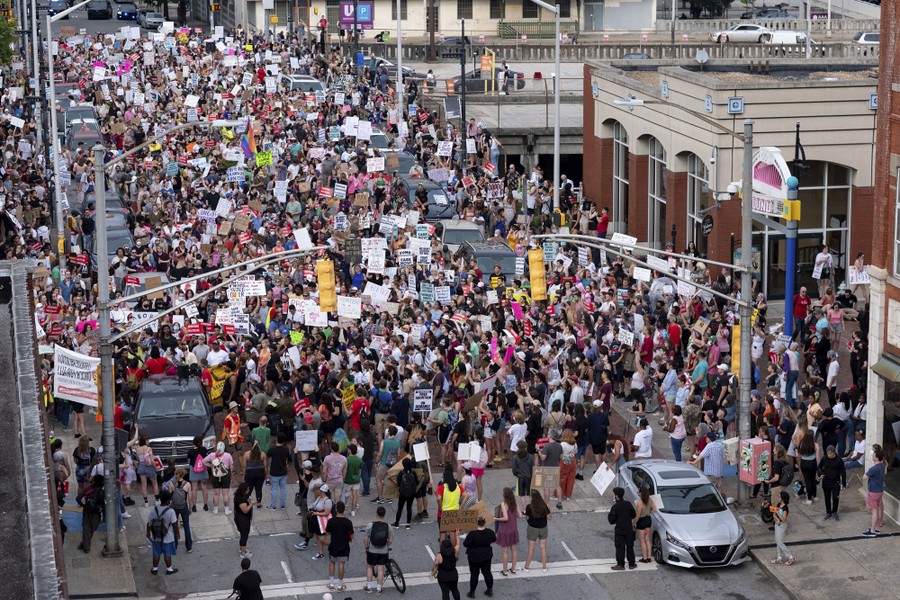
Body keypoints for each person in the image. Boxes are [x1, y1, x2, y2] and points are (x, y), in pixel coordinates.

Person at [146, 489, 180, 575]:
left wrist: (148, 532)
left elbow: (149, 523)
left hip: (156, 536)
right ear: (168, 500)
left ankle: (154, 569)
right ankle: (169, 569)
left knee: (156, 552)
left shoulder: (154, 509)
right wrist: (177, 534)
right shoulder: (171, 511)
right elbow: (175, 524)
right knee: (167, 553)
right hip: (167, 537)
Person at [464, 515, 496, 597]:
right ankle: (489, 590)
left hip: (474, 557)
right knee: (487, 573)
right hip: (487, 555)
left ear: (476, 523)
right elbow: (494, 539)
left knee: (474, 574)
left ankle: (472, 592)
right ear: (484, 523)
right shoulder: (489, 532)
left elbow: (465, 543)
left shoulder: (472, 534)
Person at [162, 468, 193, 553]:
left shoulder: (171, 483)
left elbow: (169, 497)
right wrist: (190, 508)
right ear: (184, 474)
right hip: (183, 507)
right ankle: (189, 547)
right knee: (186, 526)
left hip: (174, 507)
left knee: (174, 526)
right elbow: (190, 499)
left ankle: (174, 545)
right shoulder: (187, 484)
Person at [325, 501, 354, 592]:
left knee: (332, 562)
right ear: (344, 510)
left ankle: (331, 583)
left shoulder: (331, 521)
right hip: (344, 546)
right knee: (341, 564)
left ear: (336, 509)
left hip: (333, 545)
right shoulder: (348, 522)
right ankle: (340, 586)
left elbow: (327, 532)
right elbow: (351, 535)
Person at [364, 505, 393, 595]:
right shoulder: (388, 526)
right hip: (383, 551)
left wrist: (366, 547)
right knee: (380, 569)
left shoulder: (370, 525)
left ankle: (369, 587)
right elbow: (390, 540)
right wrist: (386, 545)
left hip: (372, 550)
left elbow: (365, 538)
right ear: (384, 515)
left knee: (370, 567)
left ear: (376, 514)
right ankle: (379, 589)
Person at [608, 486, 637, 570]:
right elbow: (633, 515)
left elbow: (611, 521)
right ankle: (632, 563)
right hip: (628, 529)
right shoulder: (628, 504)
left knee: (620, 548)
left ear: (616, 496)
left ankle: (620, 564)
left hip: (620, 530)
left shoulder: (615, 507)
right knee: (630, 547)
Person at [522, 490, 551, 572]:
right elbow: (549, 517)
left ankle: (526, 567)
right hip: (543, 528)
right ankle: (544, 567)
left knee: (531, 549)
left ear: (532, 498)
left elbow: (527, 518)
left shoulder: (529, 507)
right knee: (543, 548)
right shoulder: (544, 506)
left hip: (532, 529)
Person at [817, 445, 847, 521]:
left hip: (835, 482)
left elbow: (843, 472)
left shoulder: (839, 460)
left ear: (834, 452)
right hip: (826, 481)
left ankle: (834, 511)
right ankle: (828, 512)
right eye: (828, 453)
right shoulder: (824, 458)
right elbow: (819, 467)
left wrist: (843, 483)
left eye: (830, 453)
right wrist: (820, 474)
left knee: (835, 497)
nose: (829, 455)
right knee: (827, 498)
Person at [76, 474, 104, 553]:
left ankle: (85, 544)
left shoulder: (88, 489)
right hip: (96, 513)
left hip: (87, 512)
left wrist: (84, 506)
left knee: (86, 529)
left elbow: (78, 498)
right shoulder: (102, 493)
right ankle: (86, 547)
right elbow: (104, 505)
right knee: (92, 529)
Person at [862, 449, 886, 537]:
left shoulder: (873, 469)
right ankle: (876, 528)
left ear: (876, 458)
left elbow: (864, 477)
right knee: (878, 508)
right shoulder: (882, 466)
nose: (872, 456)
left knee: (874, 510)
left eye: (874, 455)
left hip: (873, 492)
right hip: (880, 491)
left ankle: (872, 531)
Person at [392, 457, 418, 529]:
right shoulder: (414, 473)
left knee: (400, 508)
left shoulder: (401, 473)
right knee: (409, 508)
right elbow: (417, 482)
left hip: (403, 493)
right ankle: (408, 524)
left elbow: (398, 483)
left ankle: (397, 523)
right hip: (411, 493)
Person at [433, 534, 462, 600]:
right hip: (453, 575)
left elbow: (436, 566)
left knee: (445, 592)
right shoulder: (455, 552)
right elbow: (458, 543)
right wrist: (457, 535)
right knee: (455, 590)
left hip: (443, 576)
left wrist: (433, 573)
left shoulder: (439, 555)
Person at [267, 433, 291, 510]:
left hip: (274, 472)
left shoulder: (272, 449)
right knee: (283, 488)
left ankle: (273, 506)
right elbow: (289, 459)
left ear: (277, 439)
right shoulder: (286, 449)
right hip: (283, 472)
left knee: (274, 489)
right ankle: (283, 505)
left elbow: (267, 455)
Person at [632, 486, 656, 563]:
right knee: (647, 539)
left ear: (641, 493)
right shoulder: (650, 499)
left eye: (638, 492)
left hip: (641, 522)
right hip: (648, 520)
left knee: (642, 541)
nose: (637, 493)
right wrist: (648, 512)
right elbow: (654, 509)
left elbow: (637, 516)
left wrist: (633, 523)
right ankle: (649, 557)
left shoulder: (639, 503)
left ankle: (644, 558)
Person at [771, 491, 794, 565]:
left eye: (780, 497)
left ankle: (790, 556)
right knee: (777, 541)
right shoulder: (778, 504)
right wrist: (777, 519)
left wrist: (778, 515)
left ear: (783, 499)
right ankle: (779, 557)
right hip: (777, 524)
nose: (779, 498)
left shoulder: (785, 508)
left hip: (782, 525)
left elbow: (784, 519)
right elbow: (774, 514)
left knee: (780, 542)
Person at [234, 482, 255, 559]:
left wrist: (248, 499)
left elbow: (246, 497)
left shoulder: (238, 496)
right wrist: (251, 504)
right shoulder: (240, 500)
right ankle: (243, 553)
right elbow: (245, 510)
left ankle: (242, 548)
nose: (248, 490)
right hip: (243, 519)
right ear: (244, 490)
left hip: (239, 518)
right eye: (247, 489)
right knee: (244, 536)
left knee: (243, 534)